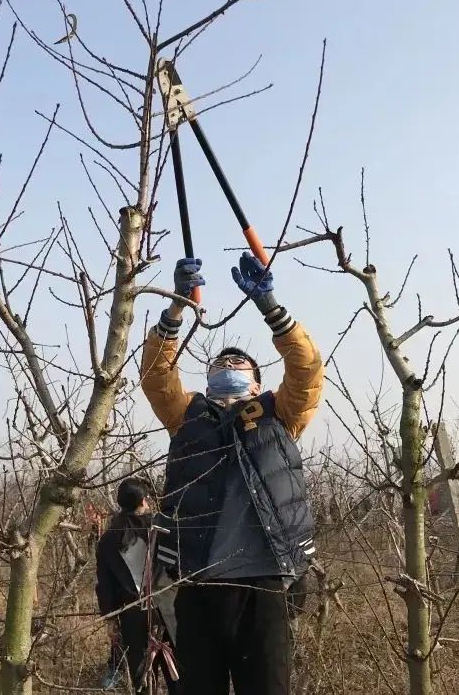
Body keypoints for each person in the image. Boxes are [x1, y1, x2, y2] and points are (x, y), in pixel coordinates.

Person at [141, 254, 324, 695]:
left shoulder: (280, 416)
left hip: (265, 582)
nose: (229, 366)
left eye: (239, 365)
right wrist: (176, 309)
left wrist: (271, 307)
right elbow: (155, 375)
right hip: (198, 580)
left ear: (257, 385)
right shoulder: (187, 416)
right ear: (207, 380)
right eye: (221, 364)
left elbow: (306, 370)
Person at [95, 478, 180, 694]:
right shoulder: (161, 529)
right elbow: (178, 569)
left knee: (141, 679)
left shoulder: (107, 540)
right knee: (177, 679)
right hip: (168, 611)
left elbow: (105, 586)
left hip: (132, 615)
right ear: (143, 500)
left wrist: (111, 619)